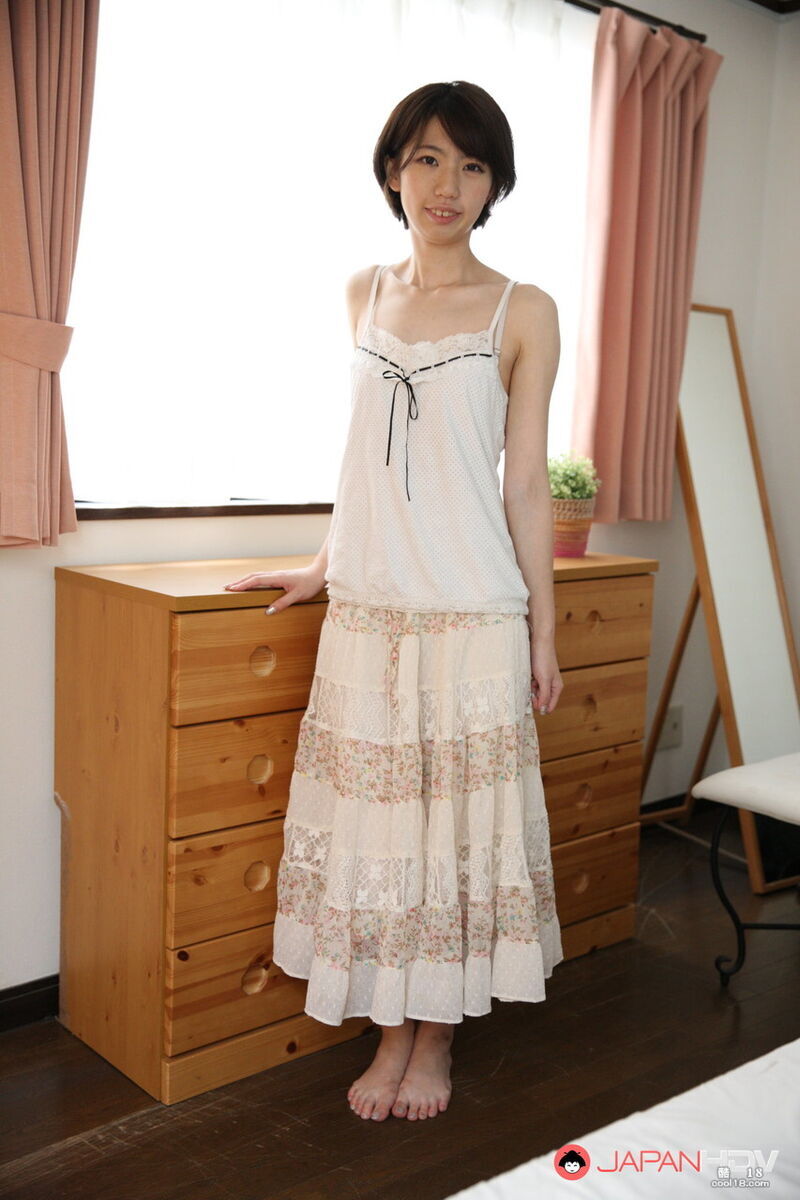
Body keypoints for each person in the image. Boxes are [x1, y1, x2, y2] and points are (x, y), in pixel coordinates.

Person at [224, 80, 564, 1124]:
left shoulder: (524, 310)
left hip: (470, 613)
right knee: (383, 837)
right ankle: (390, 1031)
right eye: (427, 159)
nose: (447, 184)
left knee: (451, 842)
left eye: (471, 164)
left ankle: (437, 1038)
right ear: (391, 170)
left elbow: (522, 482)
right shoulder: (360, 292)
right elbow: (361, 461)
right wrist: (322, 565)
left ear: (495, 184)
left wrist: (543, 634)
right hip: (368, 614)